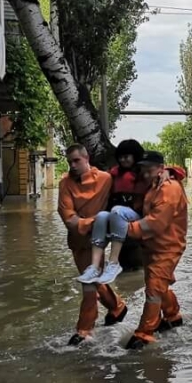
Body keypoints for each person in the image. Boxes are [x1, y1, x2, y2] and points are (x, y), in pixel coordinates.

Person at [78, 140, 187, 286]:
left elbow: (173, 171)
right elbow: (95, 178)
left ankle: (114, 264)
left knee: (152, 282)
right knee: (102, 216)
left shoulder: (145, 175)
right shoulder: (113, 174)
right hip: (121, 227)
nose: (123, 160)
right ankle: (96, 266)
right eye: (121, 157)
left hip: (136, 226)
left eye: (127, 156)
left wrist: (168, 171)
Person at [57, 144, 127, 346]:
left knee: (88, 284)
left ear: (87, 159)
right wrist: (96, 221)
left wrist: (167, 172)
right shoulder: (65, 184)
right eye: (69, 162)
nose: (72, 165)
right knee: (94, 280)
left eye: (76, 160)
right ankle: (117, 306)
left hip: (97, 241)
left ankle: (85, 329)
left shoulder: (105, 178)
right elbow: (69, 219)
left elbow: (133, 176)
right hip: (77, 240)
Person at [124, 150, 189, 350]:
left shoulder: (169, 188)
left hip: (167, 247)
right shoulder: (154, 184)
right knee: (158, 285)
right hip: (153, 246)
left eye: (149, 170)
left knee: (153, 289)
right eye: (143, 170)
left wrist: (125, 229)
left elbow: (155, 223)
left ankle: (144, 334)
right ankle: (173, 316)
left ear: (160, 168)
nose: (145, 174)